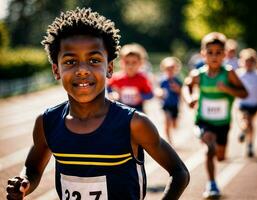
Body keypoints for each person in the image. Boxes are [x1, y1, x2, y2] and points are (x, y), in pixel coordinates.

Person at [6, 7, 189, 200]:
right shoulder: (47, 122)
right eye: (70, 62)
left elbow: (179, 173)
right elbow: (33, 168)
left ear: (109, 68)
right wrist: (24, 183)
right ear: (56, 70)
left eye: (93, 60)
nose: (82, 70)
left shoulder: (134, 124)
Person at [182, 32, 248, 199]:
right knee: (209, 148)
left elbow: (244, 93)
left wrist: (228, 89)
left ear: (225, 55)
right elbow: (186, 86)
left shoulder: (229, 73)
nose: (214, 56)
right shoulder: (199, 74)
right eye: (210, 52)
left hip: (223, 123)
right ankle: (212, 184)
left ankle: (216, 159)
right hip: (204, 120)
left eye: (218, 52)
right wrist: (190, 99)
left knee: (220, 156)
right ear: (203, 54)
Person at [107, 43, 153, 112]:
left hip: (138, 109)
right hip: (120, 108)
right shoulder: (116, 78)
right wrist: (112, 94)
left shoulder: (142, 79)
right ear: (121, 63)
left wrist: (141, 96)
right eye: (127, 62)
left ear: (140, 63)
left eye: (134, 62)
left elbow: (150, 94)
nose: (130, 66)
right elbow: (108, 88)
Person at [155, 57, 182, 144]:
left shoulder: (177, 80)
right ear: (164, 69)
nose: (170, 71)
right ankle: (168, 140)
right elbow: (158, 90)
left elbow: (182, 91)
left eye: (172, 68)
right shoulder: (162, 80)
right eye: (168, 69)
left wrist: (177, 88)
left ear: (176, 69)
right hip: (166, 104)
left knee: (174, 124)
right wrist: (159, 93)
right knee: (167, 121)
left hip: (175, 104)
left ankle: (173, 125)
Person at [236, 48, 257, 157]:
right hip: (243, 103)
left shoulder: (256, 75)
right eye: (246, 62)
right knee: (247, 121)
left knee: (251, 125)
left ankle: (249, 144)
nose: (248, 64)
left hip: (254, 104)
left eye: (251, 62)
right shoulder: (239, 75)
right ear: (242, 62)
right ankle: (243, 131)